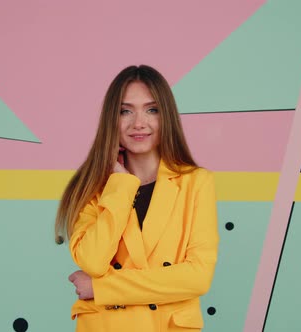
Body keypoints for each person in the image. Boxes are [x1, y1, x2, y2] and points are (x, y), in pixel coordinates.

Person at [55, 64, 219, 331]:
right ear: (112, 119)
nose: (139, 123)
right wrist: (120, 185)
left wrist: (101, 287)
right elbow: (94, 261)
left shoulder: (196, 182)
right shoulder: (92, 187)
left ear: (166, 116)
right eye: (125, 111)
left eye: (152, 110)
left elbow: (197, 278)